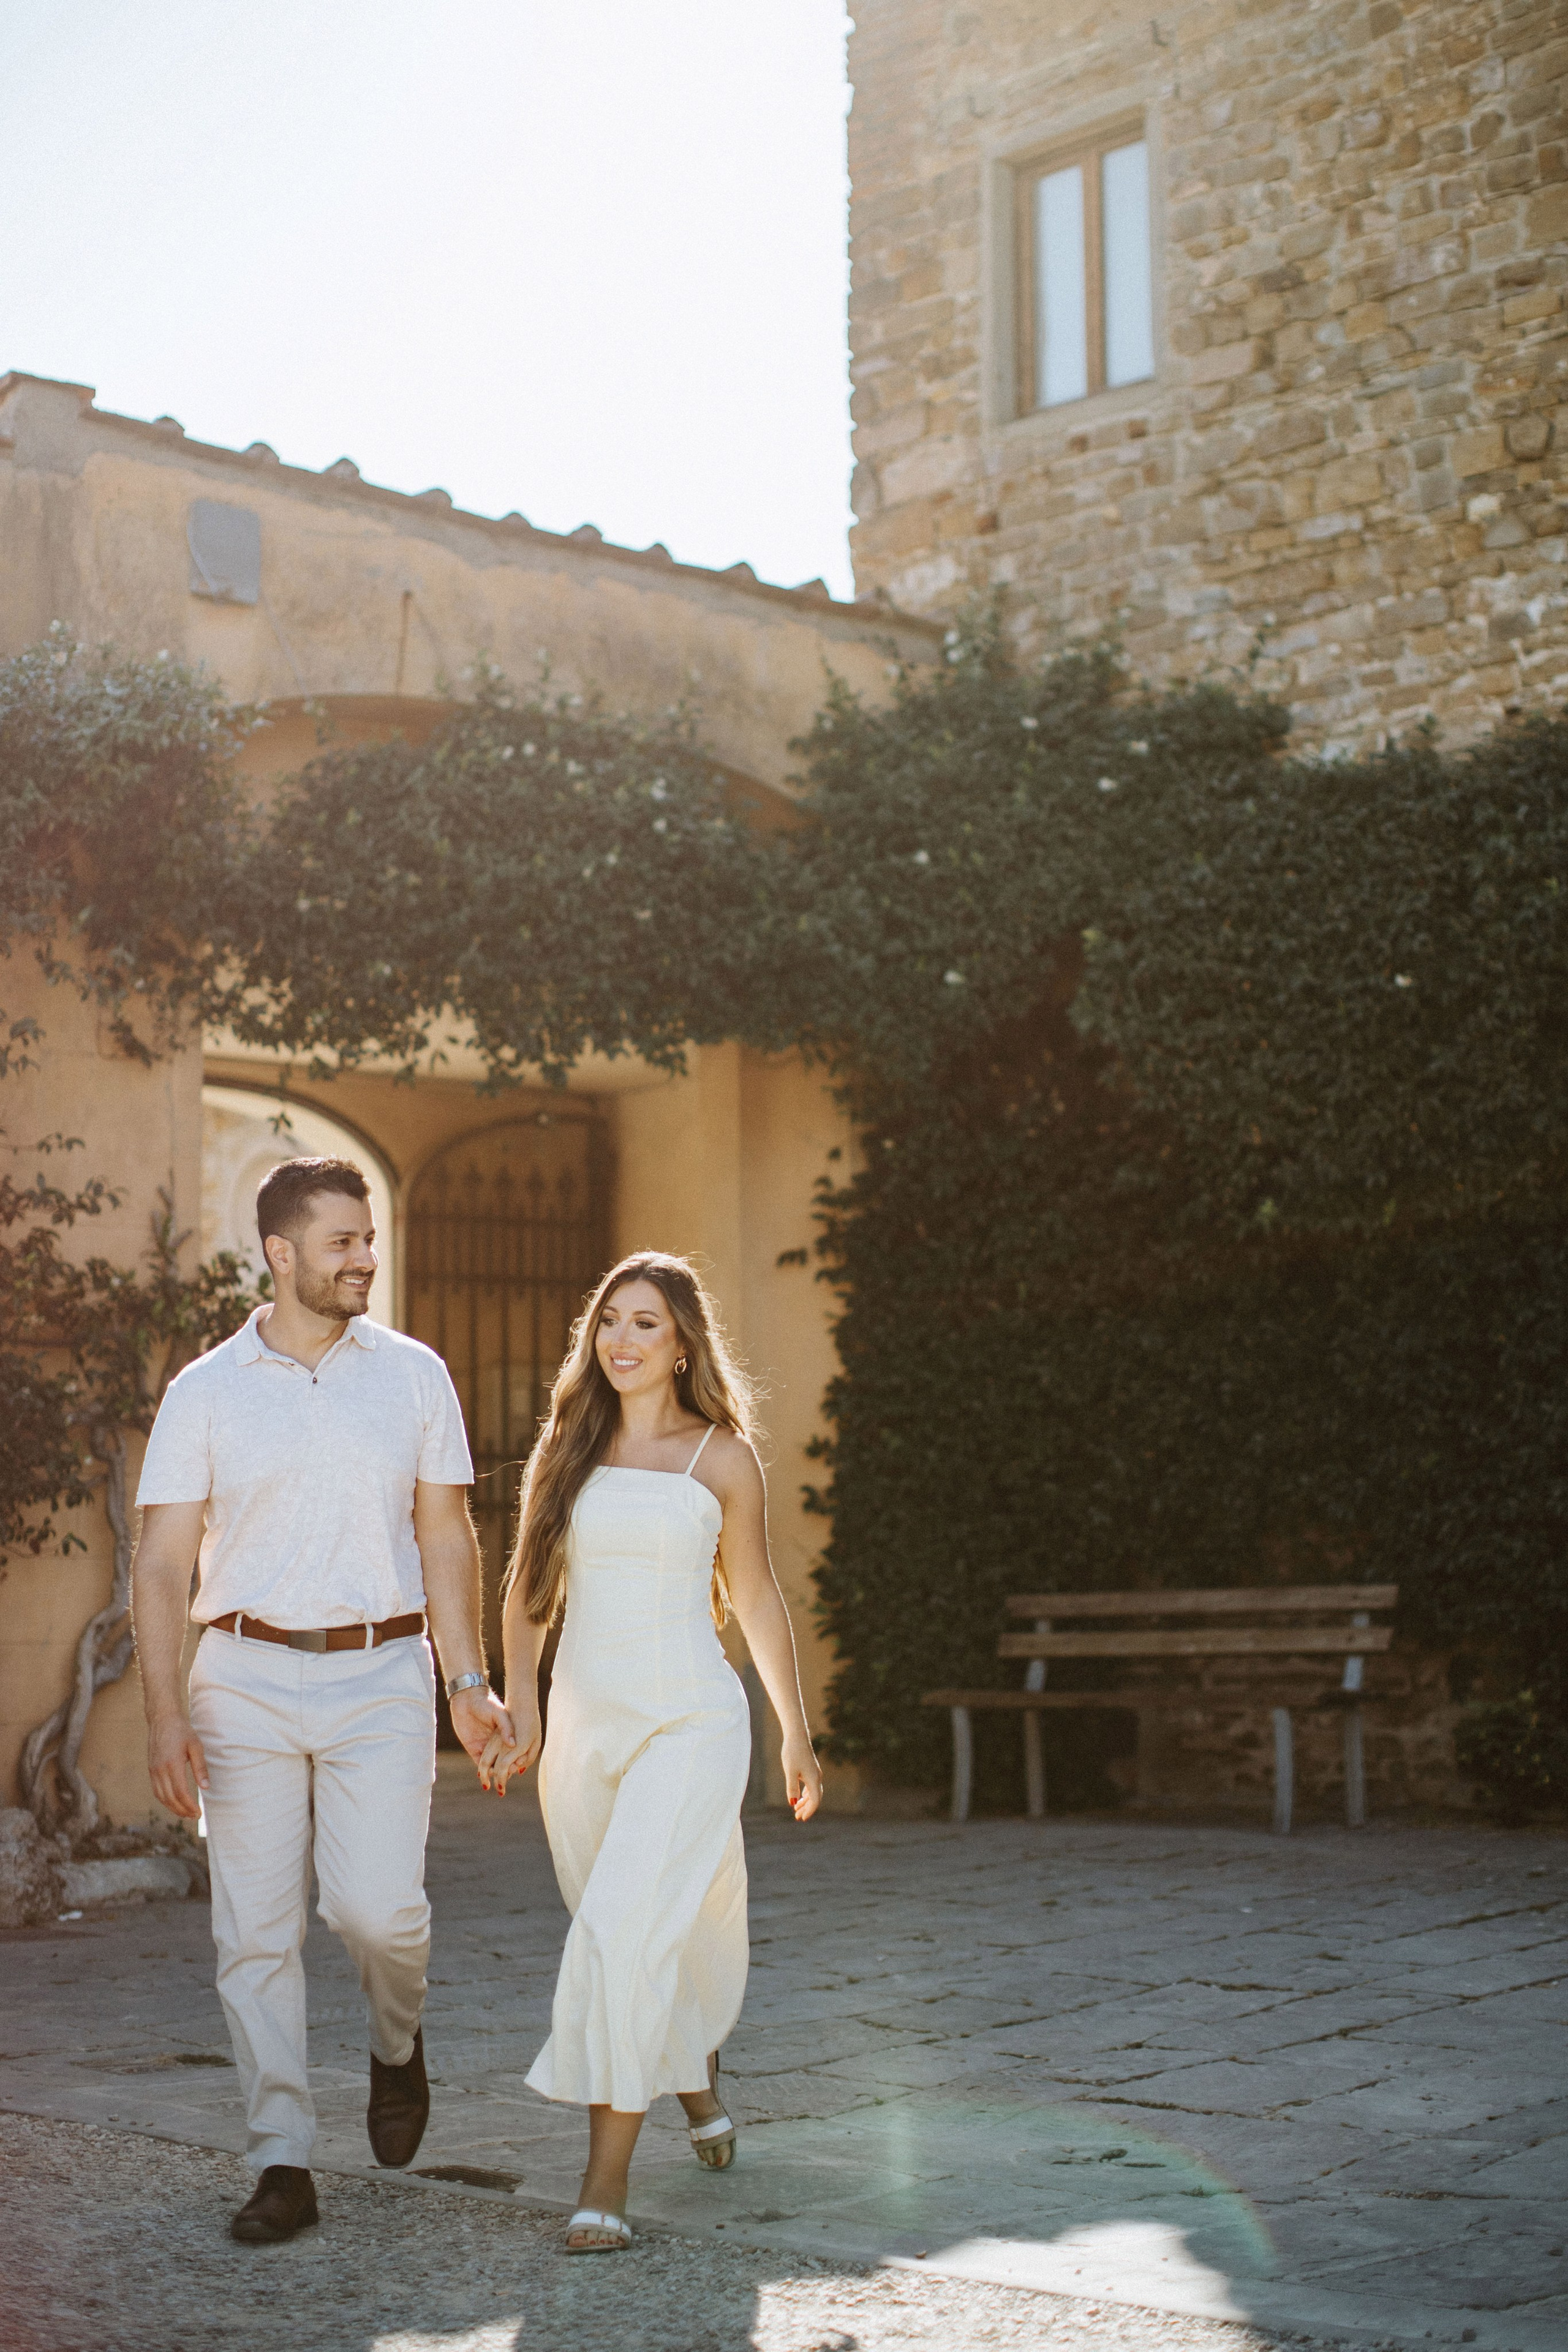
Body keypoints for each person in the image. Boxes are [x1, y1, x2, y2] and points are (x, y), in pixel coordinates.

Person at [131, 1155, 511, 2246]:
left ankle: (398, 2043)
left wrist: (468, 1681)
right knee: (254, 1932)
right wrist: (165, 1715)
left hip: (381, 1677)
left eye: (369, 1237)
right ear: (281, 1253)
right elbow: (161, 1564)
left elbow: (446, 1532)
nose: (366, 1259)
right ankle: (281, 2160)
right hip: (241, 1676)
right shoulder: (204, 1391)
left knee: (378, 1913)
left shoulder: (414, 1374)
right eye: (344, 1241)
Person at [481, 1250, 824, 2254]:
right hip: (585, 1733)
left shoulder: (720, 1456)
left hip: (692, 1723)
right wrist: (524, 1707)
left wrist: (794, 1732)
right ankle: (698, 2093)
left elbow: (757, 1598)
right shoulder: (566, 1451)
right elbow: (524, 1589)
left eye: (646, 1324)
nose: (622, 1341)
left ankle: (603, 2185)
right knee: (625, 1924)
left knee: (624, 1934)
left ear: (682, 1348)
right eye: (610, 1322)